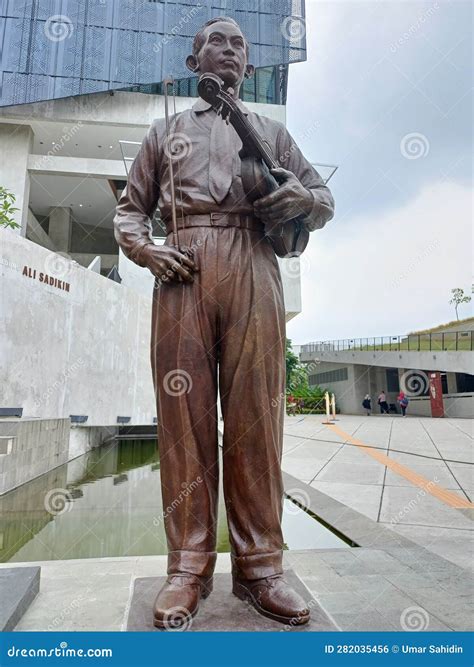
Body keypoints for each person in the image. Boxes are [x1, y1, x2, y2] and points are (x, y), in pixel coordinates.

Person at [113, 16, 335, 628]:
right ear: (195, 59)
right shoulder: (164, 132)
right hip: (181, 271)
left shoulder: (272, 134)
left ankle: (261, 568)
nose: (230, 50)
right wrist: (148, 250)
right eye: (218, 40)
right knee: (182, 423)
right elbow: (128, 214)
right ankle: (187, 567)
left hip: (254, 268)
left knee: (255, 420)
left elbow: (322, 199)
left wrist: (304, 202)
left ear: (247, 62)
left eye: (239, 43)